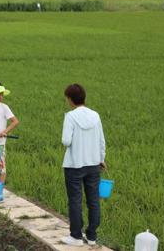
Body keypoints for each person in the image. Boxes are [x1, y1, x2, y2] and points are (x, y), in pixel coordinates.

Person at [60, 84, 106, 247]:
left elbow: (66, 141)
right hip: (93, 164)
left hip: (74, 165)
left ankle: (76, 237)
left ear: (70, 99)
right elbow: (101, 140)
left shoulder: (71, 116)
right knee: (93, 200)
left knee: (75, 200)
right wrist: (101, 158)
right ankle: (92, 236)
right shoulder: (95, 115)